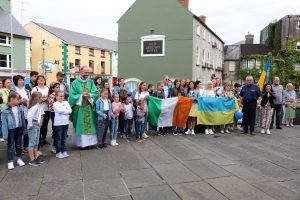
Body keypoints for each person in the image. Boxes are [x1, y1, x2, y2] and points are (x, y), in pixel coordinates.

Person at [69, 66, 99, 149]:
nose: (87, 74)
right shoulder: (75, 82)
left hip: (89, 108)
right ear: (80, 72)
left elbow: (96, 93)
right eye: (85, 72)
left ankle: (89, 143)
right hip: (80, 108)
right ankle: (81, 144)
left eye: (88, 73)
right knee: (80, 125)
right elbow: (72, 96)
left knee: (91, 124)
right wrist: (81, 96)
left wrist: (90, 95)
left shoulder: (91, 82)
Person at [1, 93, 26, 170]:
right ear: (12, 99)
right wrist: (5, 134)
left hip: (19, 128)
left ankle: (19, 159)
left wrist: (24, 129)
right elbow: (4, 123)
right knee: (10, 145)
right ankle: (10, 161)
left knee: (19, 144)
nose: (19, 101)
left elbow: (22, 119)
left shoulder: (19, 108)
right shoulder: (5, 111)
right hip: (11, 130)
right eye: (17, 99)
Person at [12, 75, 30, 153]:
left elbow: (29, 102)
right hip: (17, 113)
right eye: (19, 80)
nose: (22, 81)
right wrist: (20, 102)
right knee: (19, 132)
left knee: (26, 131)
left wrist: (26, 102)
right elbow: (11, 103)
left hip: (26, 113)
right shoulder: (13, 90)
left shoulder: (26, 90)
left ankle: (26, 146)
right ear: (16, 81)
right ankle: (18, 149)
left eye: (22, 80)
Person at [32, 75, 50, 147]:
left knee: (45, 125)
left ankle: (44, 139)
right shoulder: (35, 88)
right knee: (39, 125)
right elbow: (32, 99)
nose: (41, 80)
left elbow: (51, 97)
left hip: (47, 109)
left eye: (43, 78)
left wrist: (47, 99)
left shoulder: (48, 88)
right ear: (37, 81)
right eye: (39, 79)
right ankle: (38, 140)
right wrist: (41, 99)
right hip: (38, 110)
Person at [27, 92, 44, 166]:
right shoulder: (35, 106)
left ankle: (36, 157)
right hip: (33, 124)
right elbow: (29, 116)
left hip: (36, 124)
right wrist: (30, 125)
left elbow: (39, 115)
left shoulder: (38, 105)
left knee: (36, 142)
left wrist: (39, 123)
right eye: (40, 97)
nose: (41, 99)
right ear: (36, 99)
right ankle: (32, 159)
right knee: (32, 142)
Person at [53, 90, 72, 158]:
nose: (61, 97)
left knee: (64, 138)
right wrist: (65, 110)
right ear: (56, 97)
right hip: (58, 124)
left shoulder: (66, 102)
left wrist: (64, 110)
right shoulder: (55, 104)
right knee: (59, 138)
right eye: (60, 96)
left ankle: (64, 151)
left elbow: (70, 110)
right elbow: (59, 111)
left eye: (63, 96)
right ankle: (58, 152)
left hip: (65, 123)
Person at [48, 81, 61, 154]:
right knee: (56, 130)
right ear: (53, 88)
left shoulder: (61, 94)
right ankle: (54, 147)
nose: (58, 88)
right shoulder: (51, 96)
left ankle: (60, 145)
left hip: (61, 114)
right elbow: (51, 105)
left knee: (61, 130)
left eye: (59, 87)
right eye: (57, 87)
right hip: (54, 113)